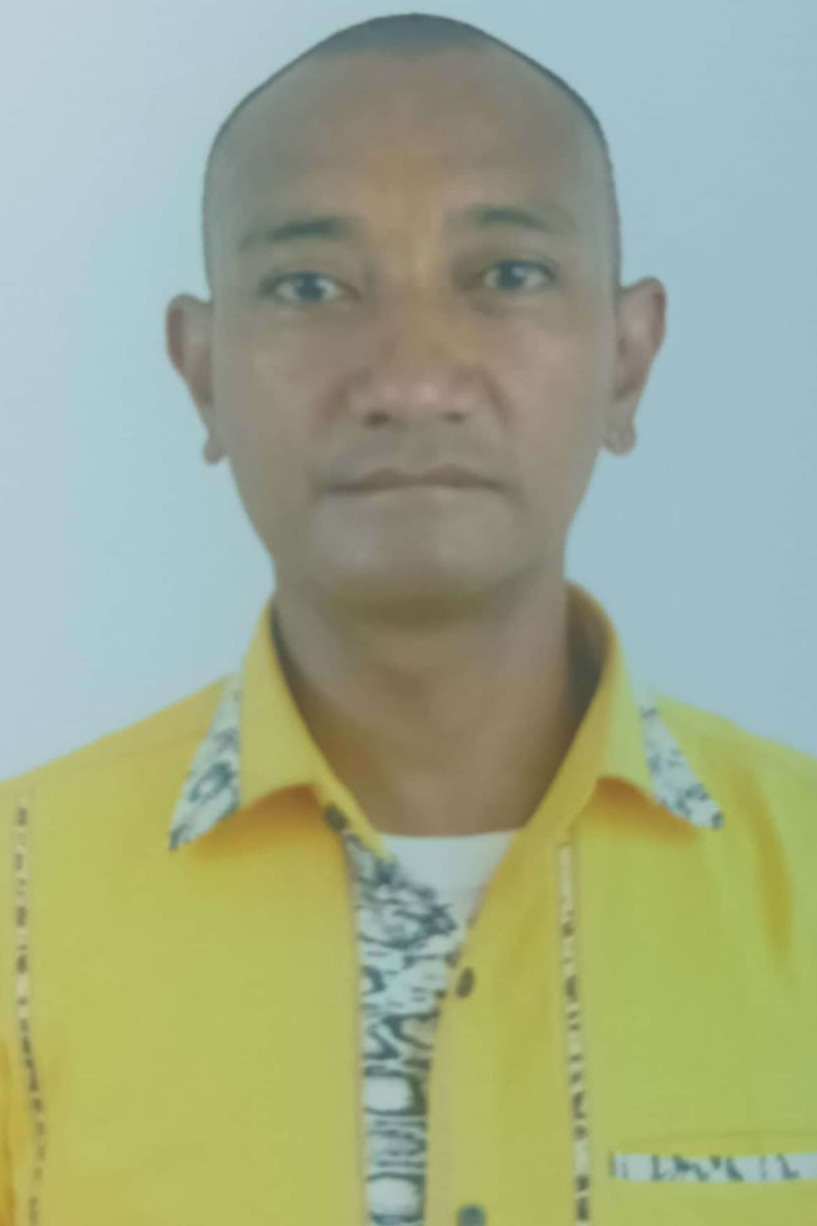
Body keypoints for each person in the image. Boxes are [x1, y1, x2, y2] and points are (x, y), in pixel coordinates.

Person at [1, 13, 815, 1226]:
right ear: (203, 371)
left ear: (627, 359)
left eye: (507, 275)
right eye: (310, 287)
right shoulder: (18, 903)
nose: (411, 379)